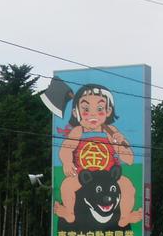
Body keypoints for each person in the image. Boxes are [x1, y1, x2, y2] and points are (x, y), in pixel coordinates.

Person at [54, 84, 142, 227]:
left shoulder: (111, 131)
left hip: (109, 176)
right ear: (76, 113)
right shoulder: (78, 131)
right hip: (84, 175)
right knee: (66, 186)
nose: (93, 114)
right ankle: (69, 213)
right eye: (86, 109)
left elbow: (129, 160)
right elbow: (65, 149)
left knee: (127, 186)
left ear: (108, 111)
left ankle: (124, 217)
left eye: (99, 109)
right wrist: (67, 163)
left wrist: (120, 143)